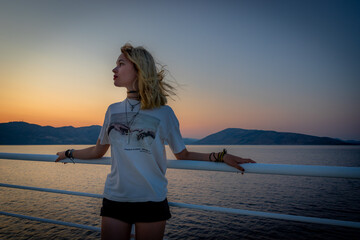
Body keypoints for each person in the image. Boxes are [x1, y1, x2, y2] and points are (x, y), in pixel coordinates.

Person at [55, 43, 256, 240]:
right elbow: (98, 151)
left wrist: (220, 156)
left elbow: (182, 154)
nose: (114, 68)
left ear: (138, 69)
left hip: (151, 200)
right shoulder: (112, 110)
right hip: (115, 198)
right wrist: (69, 153)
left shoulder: (164, 113)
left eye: (121, 63)